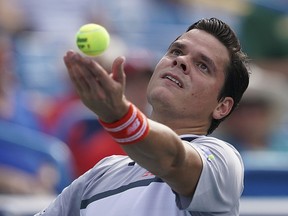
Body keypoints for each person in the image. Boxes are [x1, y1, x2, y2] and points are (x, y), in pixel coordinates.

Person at [35, 17, 250, 216]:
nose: (181, 61)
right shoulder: (100, 175)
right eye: (176, 51)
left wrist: (120, 116)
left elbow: (175, 160)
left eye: (203, 66)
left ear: (222, 107)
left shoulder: (222, 161)